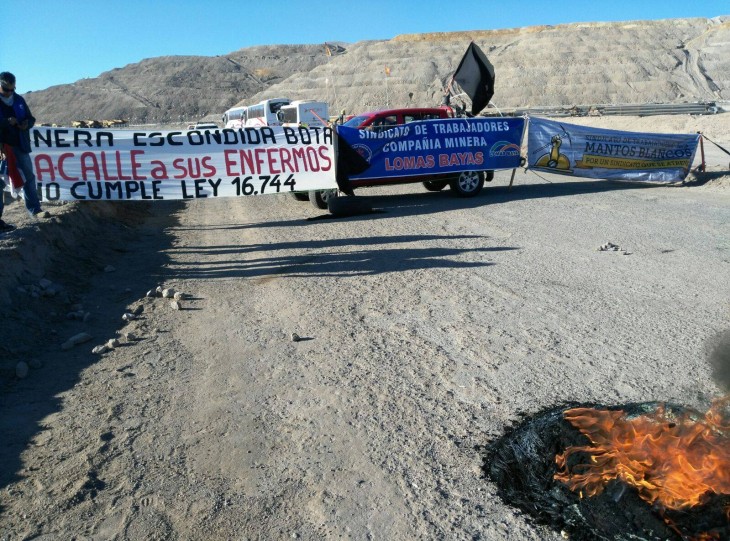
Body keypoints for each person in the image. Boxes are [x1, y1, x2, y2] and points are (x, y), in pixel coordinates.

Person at [0, 71, 44, 218]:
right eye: (6, 89)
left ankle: (35, 210)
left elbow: (31, 118)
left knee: (29, 177)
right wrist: (7, 122)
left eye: (12, 89)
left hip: (20, 145)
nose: (9, 92)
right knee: (1, 181)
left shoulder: (19, 100)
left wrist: (26, 124)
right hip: (3, 148)